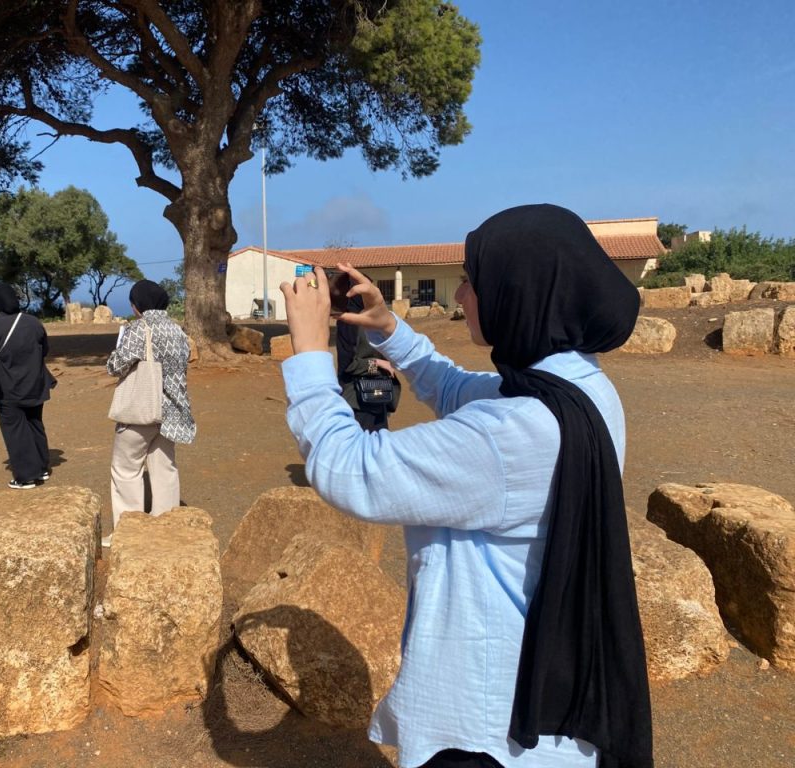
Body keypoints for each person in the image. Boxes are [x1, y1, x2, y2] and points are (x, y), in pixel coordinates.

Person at [279, 204, 652, 768]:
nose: (459, 296)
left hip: (484, 728)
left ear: (518, 293)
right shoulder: (578, 389)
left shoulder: (514, 432)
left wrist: (309, 354)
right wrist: (387, 328)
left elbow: (350, 469)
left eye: (472, 282)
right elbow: (457, 390)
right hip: (536, 697)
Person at [106, 280, 195, 542]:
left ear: (137, 305)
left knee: (126, 469)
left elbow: (115, 366)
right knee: (165, 468)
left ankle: (129, 533)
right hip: (171, 412)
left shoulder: (138, 329)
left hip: (141, 410)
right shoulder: (178, 331)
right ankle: (166, 527)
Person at [0, 283, 56, 490]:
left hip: (7, 386)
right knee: (35, 423)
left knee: (15, 429)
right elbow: (44, 349)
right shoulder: (33, 322)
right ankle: (42, 468)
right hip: (35, 383)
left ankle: (27, 476)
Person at [334, 283, 401, 432]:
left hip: (378, 395)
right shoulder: (348, 324)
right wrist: (376, 363)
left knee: (380, 442)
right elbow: (349, 365)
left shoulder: (375, 321)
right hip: (357, 400)